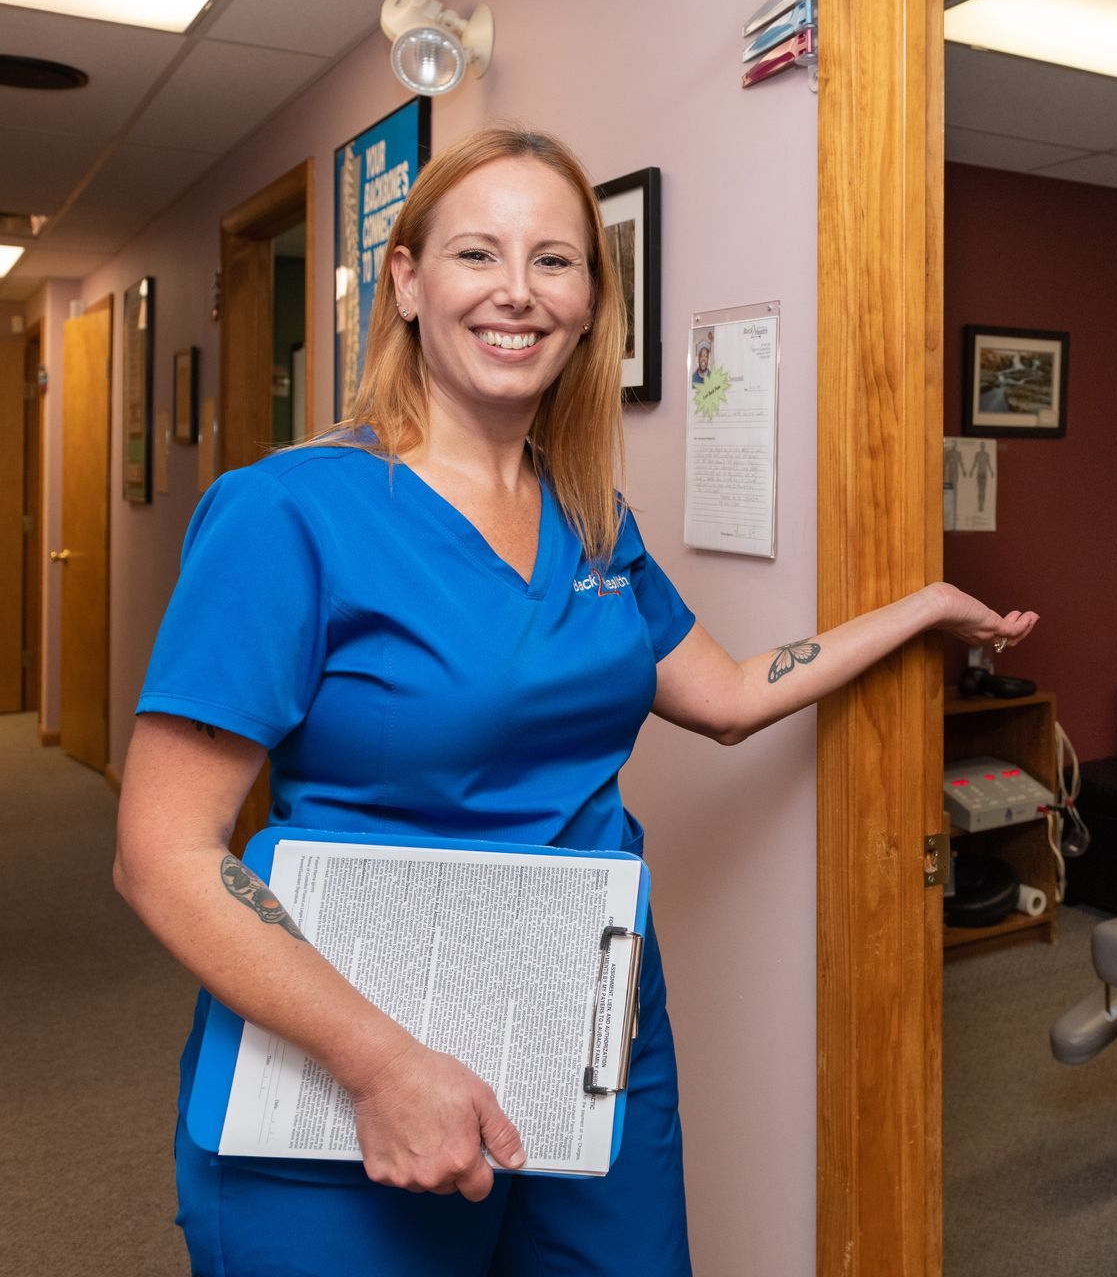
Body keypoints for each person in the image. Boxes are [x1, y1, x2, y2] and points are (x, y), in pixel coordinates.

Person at [114, 124, 1037, 1277]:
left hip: (588, 1024)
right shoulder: (285, 514)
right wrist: (379, 1061)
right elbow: (163, 855)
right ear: (406, 281)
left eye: (555, 261)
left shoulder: (592, 521)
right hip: (354, 1035)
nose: (518, 292)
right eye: (476, 255)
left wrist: (917, 610)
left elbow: (734, 694)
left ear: (596, 303)